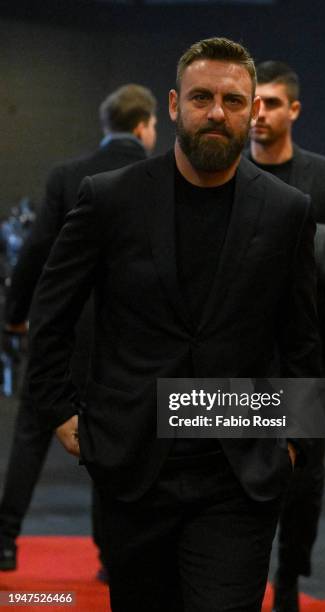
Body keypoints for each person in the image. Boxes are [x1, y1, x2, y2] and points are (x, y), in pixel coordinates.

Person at [27, 38, 321, 612]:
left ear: (253, 109)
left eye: (234, 101)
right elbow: (52, 310)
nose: (218, 112)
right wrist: (59, 411)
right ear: (172, 105)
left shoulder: (287, 211)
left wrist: (296, 441)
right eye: (202, 97)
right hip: (134, 465)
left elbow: (302, 340)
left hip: (241, 469)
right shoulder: (110, 199)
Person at [0, 83, 157, 576]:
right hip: (123, 337)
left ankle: (4, 543)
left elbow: (35, 252)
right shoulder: (157, 177)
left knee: (30, 434)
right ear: (145, 124)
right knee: (114, 445)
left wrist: (14, 314)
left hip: (62, 329)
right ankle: (112, 557)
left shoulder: (66, 175)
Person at [248, 60, 325, 612]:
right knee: (234, 467)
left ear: (293, 109)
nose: (258, 113)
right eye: (253, 102)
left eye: (270, 103)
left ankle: (290, 574)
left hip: (307, 353)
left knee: (304, 478)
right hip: (239, 350)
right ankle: (241, 575)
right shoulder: (225, 175)